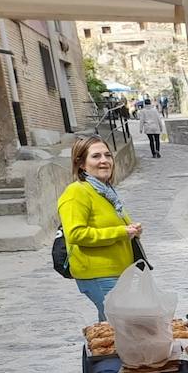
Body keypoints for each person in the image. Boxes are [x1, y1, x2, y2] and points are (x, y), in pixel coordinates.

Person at [58, 136, 141, 321]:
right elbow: (76, 234)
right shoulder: (77, 192)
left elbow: (110, 225)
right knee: (120, 327)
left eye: (107, 155)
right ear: (81, 164)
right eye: (96, 156)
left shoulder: (105, 191)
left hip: (117, 271)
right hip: (99, 273)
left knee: (113, 329)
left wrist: (131, 230)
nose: (104, 160)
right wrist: (121, 232)